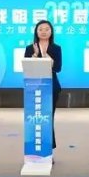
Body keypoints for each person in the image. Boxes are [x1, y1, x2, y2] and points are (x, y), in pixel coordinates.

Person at [24, 20, 62, 153]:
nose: (44, 32)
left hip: (51, 87)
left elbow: (57, 68)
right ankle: (34, 149)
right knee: (34, 118)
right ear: (36, 31)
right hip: (33, 88)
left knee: (47, 118)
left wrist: (45, 55)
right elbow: (27, 68)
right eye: (40, 29)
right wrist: (35, 55)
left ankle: (48, 150)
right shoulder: (30, 48)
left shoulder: (56, 48)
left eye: (47, 29)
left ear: (51, 32)